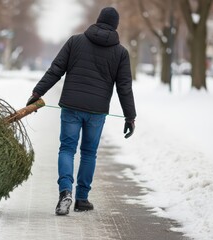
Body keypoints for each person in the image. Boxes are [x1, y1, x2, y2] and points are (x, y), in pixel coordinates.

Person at [26, 7, 136, 215]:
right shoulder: (120, 53)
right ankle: (82, 198)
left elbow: (56, 69)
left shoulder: (75, 41)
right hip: (97, 111)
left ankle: (65, 192)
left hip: (71, 106)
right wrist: (130, 116)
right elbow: (124, 87)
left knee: (67, 149)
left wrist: (37, 92)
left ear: (98, 20)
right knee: (89, 153)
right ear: (115, 26)